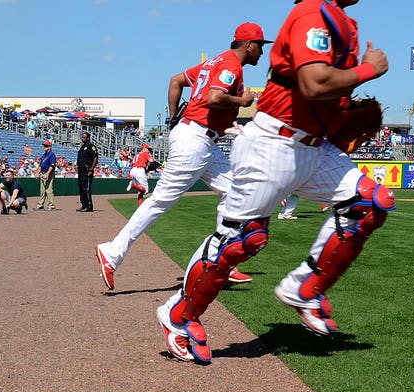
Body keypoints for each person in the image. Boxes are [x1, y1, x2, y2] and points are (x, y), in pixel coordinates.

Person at [156, 0, 393, 365]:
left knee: (369, 204)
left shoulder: (342, 22)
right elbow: (314, 83)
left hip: (314, 147)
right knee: (242, 240)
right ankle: (178, 315)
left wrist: (343, 113)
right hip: (274, 143)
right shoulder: (313, 12)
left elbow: (317, 95)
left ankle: (304, 288)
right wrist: (368, 70)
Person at [94, 22, 267, 291]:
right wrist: (241, 102)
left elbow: (175, 80)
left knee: (236, 192)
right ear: (249, 45)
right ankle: (112, 252)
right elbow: (214, 97)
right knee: (161, 201)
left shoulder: (213, 62)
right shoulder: (231, 65)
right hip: (195, 139)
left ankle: (220, 260)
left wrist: (173, 118)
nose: (262, 52)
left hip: (202, 140)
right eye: (260, 46)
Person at [75, 131, 98, 212]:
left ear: (88, 138)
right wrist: (77, 165)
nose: (82, 138)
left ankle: (89, 206)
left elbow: (95, 158)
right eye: (82, 137)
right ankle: (83, 205)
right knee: (81, 189)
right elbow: (80, 158)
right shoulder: (82, 147)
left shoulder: (91, 147)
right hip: (81, 171)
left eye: (84, 137)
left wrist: (91, 169)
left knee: (86, 189)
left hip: (87, 170)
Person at [36, 140, 57, 210]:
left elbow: (52, 165)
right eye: (44, 145)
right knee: (42, 190)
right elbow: (41, 165)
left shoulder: (52, 155)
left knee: (49, 189)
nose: (44, 147)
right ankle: (40, 204)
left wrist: (47, 174)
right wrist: (37, 172)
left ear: (49, 147)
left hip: (49, 173)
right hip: (43, 173)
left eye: (46, 146)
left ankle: (52, 205)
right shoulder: (44, 155)